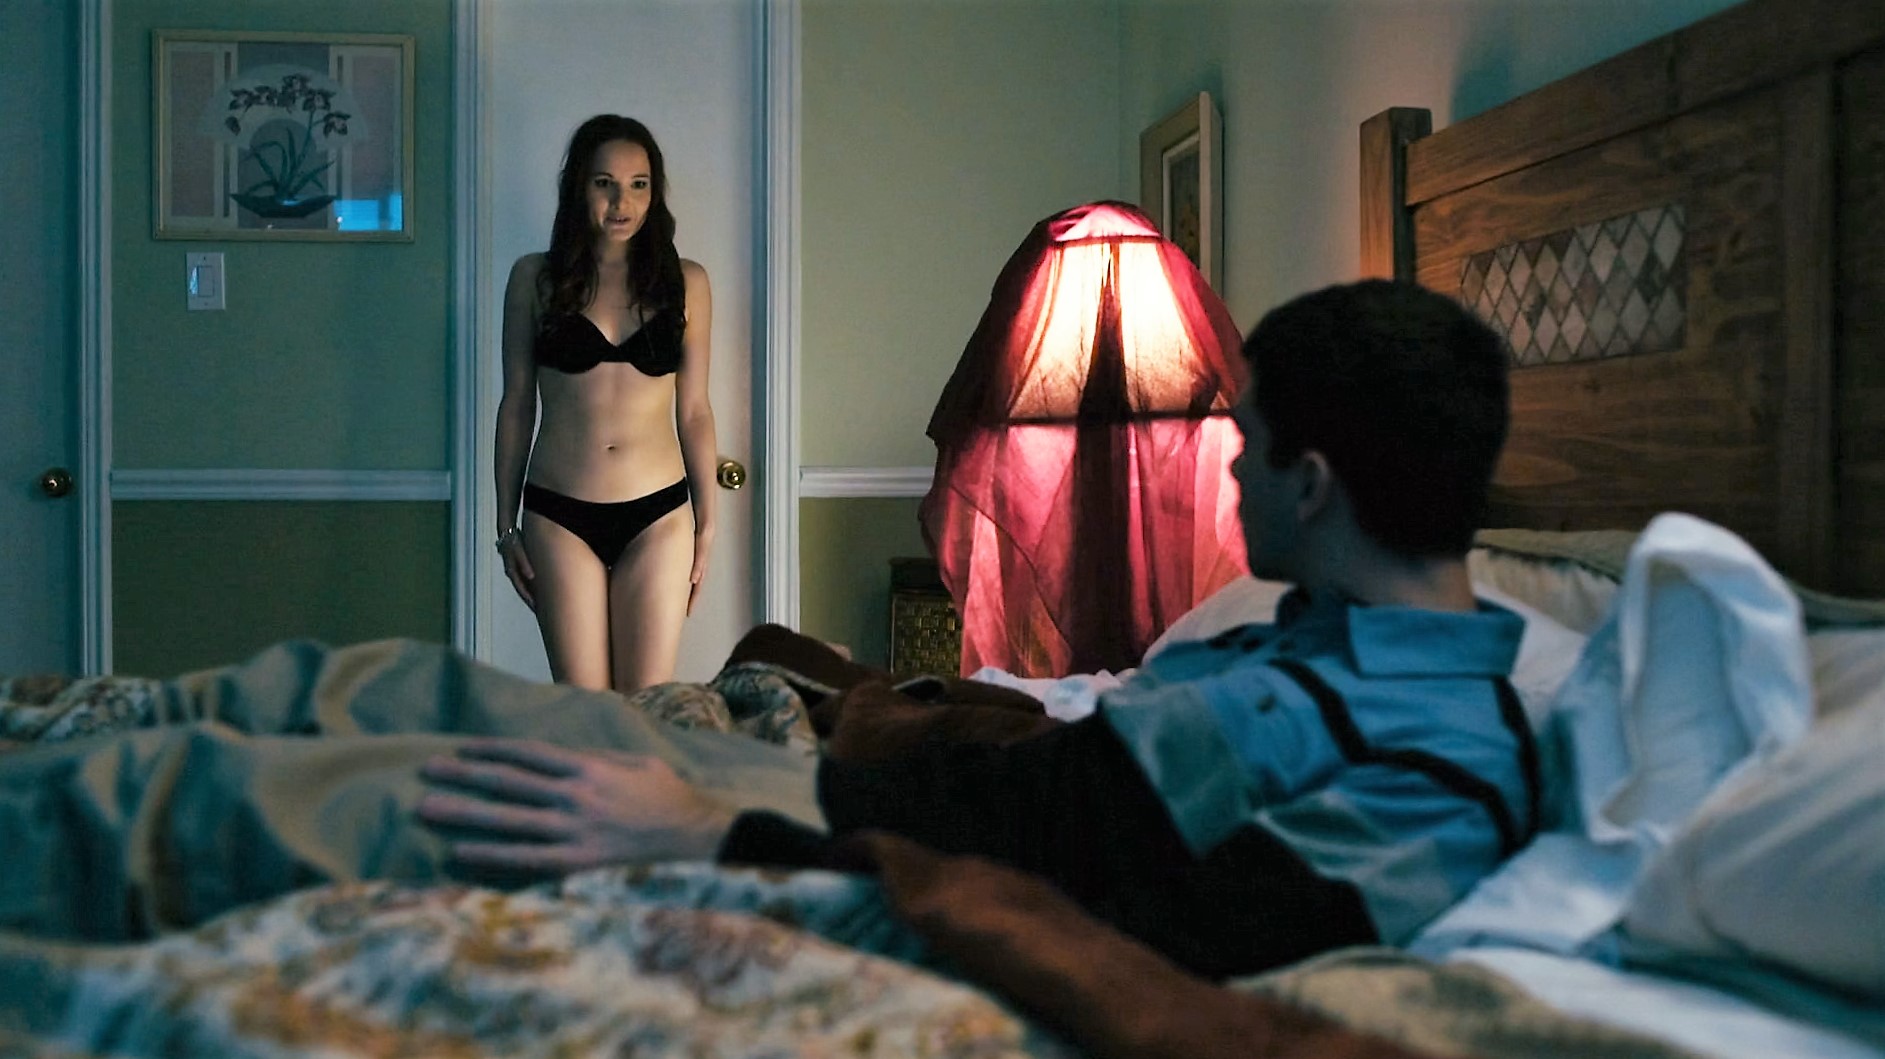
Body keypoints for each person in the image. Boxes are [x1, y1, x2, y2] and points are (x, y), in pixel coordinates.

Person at [0, 280, 1532, 981]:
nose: (1226, 471)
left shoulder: (1439, 771)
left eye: (1245, 445)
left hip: (868, 853)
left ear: (1313, 482)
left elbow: (1147, 923)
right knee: (391, 679)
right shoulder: (1313, 632)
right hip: (875, 790)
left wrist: (716, 831)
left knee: (355, 796)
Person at [494, 114, 717, 692]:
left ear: (654, 191)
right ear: (579, 187)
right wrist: (505, 525)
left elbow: (695, 411)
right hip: (558, 515)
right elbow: (516, 404)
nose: (622, 202)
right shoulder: (534, 279)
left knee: (646, 708)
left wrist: (708, 524)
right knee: (587, 712)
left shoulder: (686, 282)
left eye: (639, 184)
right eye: (604, 183)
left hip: (660, 517)